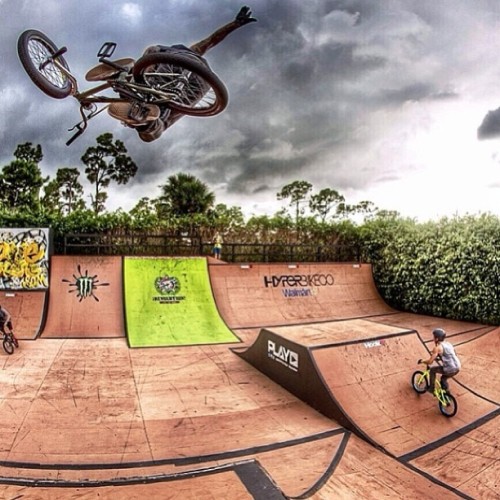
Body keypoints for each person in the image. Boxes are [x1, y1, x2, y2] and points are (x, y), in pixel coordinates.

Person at [103, 6, 257, 142]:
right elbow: (212, 40)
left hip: (185, 75)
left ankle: (139, 107)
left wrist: (235, 24)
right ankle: (144, 118)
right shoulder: (191, 52)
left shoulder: (172, 51)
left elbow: (212, 40)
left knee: (152, 55)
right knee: (170, 114)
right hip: (199, 81)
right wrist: (235, 24)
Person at [418, 328, 461, 394]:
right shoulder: (449, 344)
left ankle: (431, 388)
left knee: (432, 370)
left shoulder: (437, 348)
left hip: (450, 368)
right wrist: (441, 358)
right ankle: (447, 394)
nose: (433, 339)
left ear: (437, 339)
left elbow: (430, 362)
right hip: (458, 367)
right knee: (443, 379)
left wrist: (422, 361)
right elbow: (453, 354)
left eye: (434, 337)